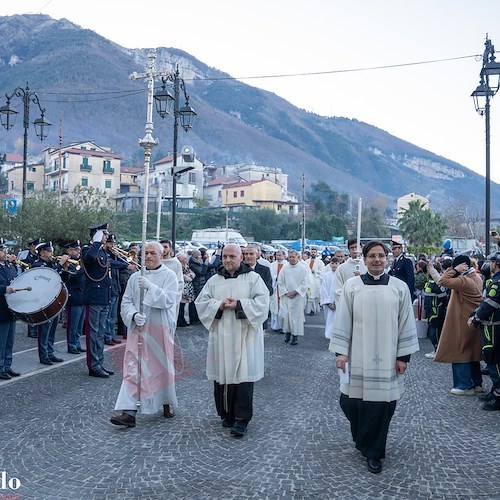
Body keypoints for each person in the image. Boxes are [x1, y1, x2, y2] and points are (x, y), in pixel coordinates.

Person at [330, 241, 419, 474]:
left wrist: (403, 357)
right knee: (349, 402)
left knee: (383, 406)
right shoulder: (352, 286)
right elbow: (343, 320)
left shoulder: (399, 288)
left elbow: (405, 324)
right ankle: (363, 438)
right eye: (372, 256)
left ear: (387, 259)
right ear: (364, 259)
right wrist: (341, 352)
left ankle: (375, 451)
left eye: (381, 256)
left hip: (388, 357)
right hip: (358, 356)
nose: (377, 260)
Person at [194, 243, 269, 437]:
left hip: (245, 336)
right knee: (223, 375)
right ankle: (226, 414)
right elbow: (201, 302)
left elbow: (262, 303)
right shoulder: (214, 280)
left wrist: (238, 305)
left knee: (242, 376)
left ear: (241, 257)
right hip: (221, 336)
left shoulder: (253, 279)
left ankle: (242, 419)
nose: (227, 260)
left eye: (232, 257)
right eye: (224, 256)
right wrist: (218, 305)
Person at [110, 241, 180, 427]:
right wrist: (133, 314)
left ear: (161, 255)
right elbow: (125, 302)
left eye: (152, 253)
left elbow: (169, 300)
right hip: (138, 330)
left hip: (159, 328)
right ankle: (128, 411)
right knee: (133, 368)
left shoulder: (169, 275)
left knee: (160, 367)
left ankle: (166, 401)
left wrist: (151, 287)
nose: (148, 256)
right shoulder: (134, 278)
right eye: (145, 253)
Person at [82, 223, 136, 378]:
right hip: (94, 297)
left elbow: (110, 263)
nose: (107, 237)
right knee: (93, 333)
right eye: (104, 234)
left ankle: (99, 362)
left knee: (100, 332)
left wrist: (127, 265)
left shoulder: (102, 252)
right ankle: (93, 366)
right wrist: (97, 242)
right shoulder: (89, 250)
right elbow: (89, 259)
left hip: (104, 296)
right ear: (97, 235)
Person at [434, 254, 483, 395]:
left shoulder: (464, 281)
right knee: (472, 353)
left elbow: (442, 281)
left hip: (461, 322)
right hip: (470, 321)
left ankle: (464, 386)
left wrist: (454, 270)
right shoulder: (476, 277)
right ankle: (476, 383)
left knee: (460, 353)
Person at [468, 251, 500, 410]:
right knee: (492, 360)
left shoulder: (497, 282)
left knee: (493, 360)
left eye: (491, 261)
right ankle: (495, 392)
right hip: (491, 325)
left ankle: (499, 396)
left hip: (493, 327)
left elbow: (489, 304)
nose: (488, 264)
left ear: (495, 264)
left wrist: (475, 318)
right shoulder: (494, 280)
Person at [31, 242, 66, 365]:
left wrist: (64, 266)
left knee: (52, 329)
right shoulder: (37, 265)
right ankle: (43, 355)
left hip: (54, 300)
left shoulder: (52, 264)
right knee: (44, 330)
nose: (52, 254)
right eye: (49, 251)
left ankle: (50, 353)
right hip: (43, 301)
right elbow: (50, 277)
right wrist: (60, 265)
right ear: (42, 252)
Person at [277, 250, 310, 346]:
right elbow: (280, 281)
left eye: (293, 257)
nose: (291, 259)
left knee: (295, 317)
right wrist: (286, 292)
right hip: (286, 296)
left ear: (297, 257)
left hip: (297, 297)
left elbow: (305, 282)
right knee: (284, 315)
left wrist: (296, 291)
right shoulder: (285, 267)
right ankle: (287, 332)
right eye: (290, 257)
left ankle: (295, 336)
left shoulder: (302, 268)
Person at [60, 240, 87, 354]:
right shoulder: (70, 264)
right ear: (69, 251)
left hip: (82, 296)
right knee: (73, 324)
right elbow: (71, 278)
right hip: (73, 296)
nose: (76, 251)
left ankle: (77, 343)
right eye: (73, 249)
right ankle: (71, 345)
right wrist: (80, 267)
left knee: (80, 324)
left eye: (77, 249)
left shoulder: (79, 262)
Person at [0, 241, 20, 379]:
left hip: (11, 309)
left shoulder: (9, 266)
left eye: (4, 249)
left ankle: (7, 365)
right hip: (1, 308)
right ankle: (0, 367)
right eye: (2, 250)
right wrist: (4, 288)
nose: (5, 252)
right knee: (1, 341)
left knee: (9, 341)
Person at [104, 234, 129, 346]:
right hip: (109, 288)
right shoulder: (104, 254)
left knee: (113, 315)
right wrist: (117, 258)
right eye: (110, 243)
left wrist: (118, 256)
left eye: (113, 243)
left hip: (115, 287)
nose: (113, 245)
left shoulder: (114, 255)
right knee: (108, 316)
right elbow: (119, 265)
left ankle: (111, 335)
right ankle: (107, 336)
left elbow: (125, 262)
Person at [422, 260, 447, 359]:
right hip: (430, 309)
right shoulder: (430, 282)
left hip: (436, 310)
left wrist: (440, 305)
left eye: (429, 269)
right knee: (433, 329)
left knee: (435, 330)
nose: (427, 271)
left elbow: (443, 297)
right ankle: (436, 349)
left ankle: (437, 350)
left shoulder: (438, 283)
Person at [334, 238, 367, 306]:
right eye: (352, 248)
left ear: (361, 248)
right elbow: (338, 289)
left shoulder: (368, 266)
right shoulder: (342, 268)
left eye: (357, 247)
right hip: (348, 304)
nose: (355, 250)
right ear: (349, 250)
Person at [321, 256, 340, 340]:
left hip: (338, 302)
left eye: (336, 263)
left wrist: (336, 302)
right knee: (329, 319)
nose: (334, 265)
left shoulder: (341, 275)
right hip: (329, 302)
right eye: (332, 263)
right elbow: (324, 289)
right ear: (330, 264)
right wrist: (328, 302)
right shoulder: (326, 276)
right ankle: (330, 337)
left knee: (338, 320)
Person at [269, 250, 287, 332]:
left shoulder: (287, 265)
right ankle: (275, 326)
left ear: (284, 256)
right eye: (277, 255)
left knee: (283, 308)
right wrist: (274, 278)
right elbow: (270, 275)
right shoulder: (272, 265)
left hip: (284, 289)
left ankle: (283, 326)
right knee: (275, 307)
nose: (278, 257)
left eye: (280, 255)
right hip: (275, 288)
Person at [176, 253, 196, 327]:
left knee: (185, 306)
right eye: (184, 259)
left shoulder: (186, 266)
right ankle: (181, 320)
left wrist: (189, 276)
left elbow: (192, 275)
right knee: (181, 306)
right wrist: (188, 276)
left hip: (188, 289)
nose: (186, 260)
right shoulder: (179, 267)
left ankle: (184, 320)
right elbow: (186, 277)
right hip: (183, 289)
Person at [304, 248, 325, 315]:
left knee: (315, 296)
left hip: (316, 280)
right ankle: (309, 310)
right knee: (309, 295)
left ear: (316, 253)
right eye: (312, 252)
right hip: (309, 280)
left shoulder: (320, 262)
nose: (313, 253)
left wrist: (315, 271)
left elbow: (322, 272)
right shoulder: (306, 261)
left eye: (314, 252)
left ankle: (314, 309)